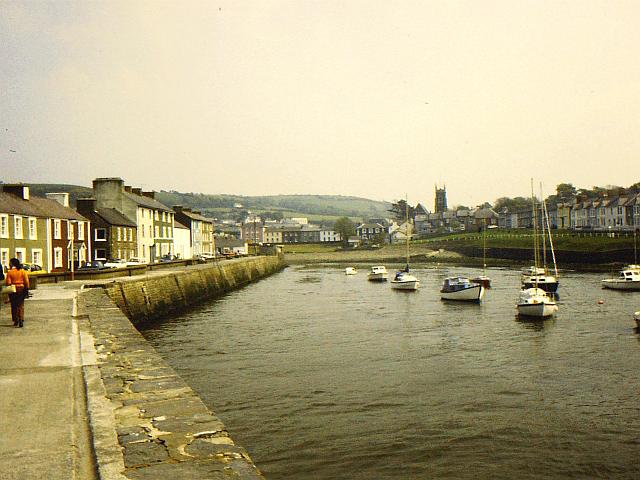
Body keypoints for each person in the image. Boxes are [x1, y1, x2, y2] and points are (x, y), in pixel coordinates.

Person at [5, 258, 29, 327]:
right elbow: (26, 282)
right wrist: (26, 289)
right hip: (21, 289)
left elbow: (8, 283)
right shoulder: (23, 271)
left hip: (13, 290)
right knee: (21, 305)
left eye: (10, 262)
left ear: (12, 264)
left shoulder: (10, 272)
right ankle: (21, 319)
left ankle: (16, 320)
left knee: (14, 305)